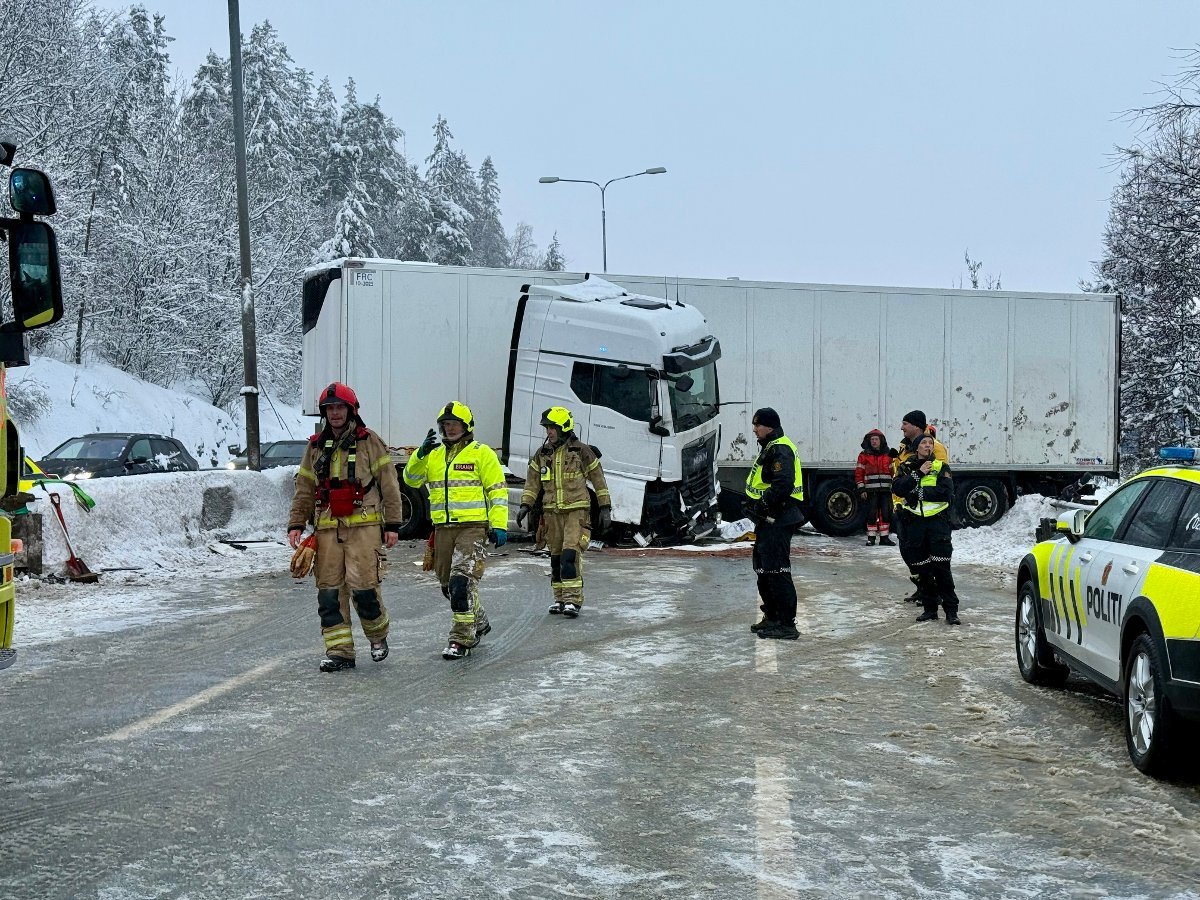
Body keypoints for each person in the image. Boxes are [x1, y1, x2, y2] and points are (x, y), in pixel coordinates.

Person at [287, 382, 403, 673]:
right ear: (325, 413)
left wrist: (392, 524)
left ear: (351, 411)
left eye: (340, 407)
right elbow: (304, 488)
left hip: (364, 528)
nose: (335, 413)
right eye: (330, 408)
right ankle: (340, 651)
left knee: (364, 589)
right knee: (329, 593)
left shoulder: (369, 442)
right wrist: (296, 523)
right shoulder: (314, 447)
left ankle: (377, 637)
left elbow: (389, 484)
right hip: (327, 531)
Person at [403, 401, 508, 660]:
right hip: (443, 529)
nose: (449, 429)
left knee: (462, 581)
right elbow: (410, 480)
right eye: (445, 424)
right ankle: (479, 621)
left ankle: (461, 638)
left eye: (454, 424)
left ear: (466, 426)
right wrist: (420, 455)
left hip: (473, 528)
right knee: (449, 587)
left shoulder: (482, 453)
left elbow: (497, 491)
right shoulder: (434, 455)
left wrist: (499, 524)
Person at [517, 407, 612, 618]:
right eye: (547, 428)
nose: (549, 432)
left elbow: (598, 479)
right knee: (556, 558)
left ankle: (573, 600)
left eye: (552, 427)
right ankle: (559, 599)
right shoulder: (542, 454)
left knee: (570, 555)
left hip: (576, 513)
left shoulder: (581, 451)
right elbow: (532, 482)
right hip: (552, 513)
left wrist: (605, 507)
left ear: (564, 428)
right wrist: (526, 505)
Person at [743, 407, 805, 640]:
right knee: (764, 568)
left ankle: (787, 623)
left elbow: (783, 484)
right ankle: (772, 616)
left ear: (769, 426)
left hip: (778, 516)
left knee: (777, 570)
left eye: (758, 425)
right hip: (769, 518)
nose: (754, 429)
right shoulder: (771, 446)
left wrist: (762, 504)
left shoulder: (780, 448)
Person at [892, 433, 961, 625]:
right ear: (916, 448)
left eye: (931, 443)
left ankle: (951, 611)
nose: (928, 446)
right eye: (924, 443)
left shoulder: (940, 467)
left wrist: (919, 493)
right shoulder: (906, 467)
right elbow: (898, 488)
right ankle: (930, 609)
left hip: (937, 524)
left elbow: (946, 492)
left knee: (942, 568)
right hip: (914, 523)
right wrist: (918, 474)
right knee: (922, 569)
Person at [892, 410, 949, 601]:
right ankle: (922, 587)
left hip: (926, 512)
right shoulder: (904, 447)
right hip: (904, 507)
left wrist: (918, 493)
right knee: (909, 552)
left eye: (905, 424)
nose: (902, 428)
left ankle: (933, 594)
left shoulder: (936, 448)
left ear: (915, 426)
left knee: (929, 555)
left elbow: (937, 478)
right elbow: (899, 476)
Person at [854, 428, 895, 546]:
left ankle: (884, 538)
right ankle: (871, 538)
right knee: (871, 514)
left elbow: (894, 471)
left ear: (881, 441)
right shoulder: (863, 455)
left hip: (886, 490)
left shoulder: (889, 454)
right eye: (872, 439)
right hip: (870, 490)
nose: (874, 442)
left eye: (876, 439)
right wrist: (861, 489)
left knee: (886, 514)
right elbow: (858, 473)